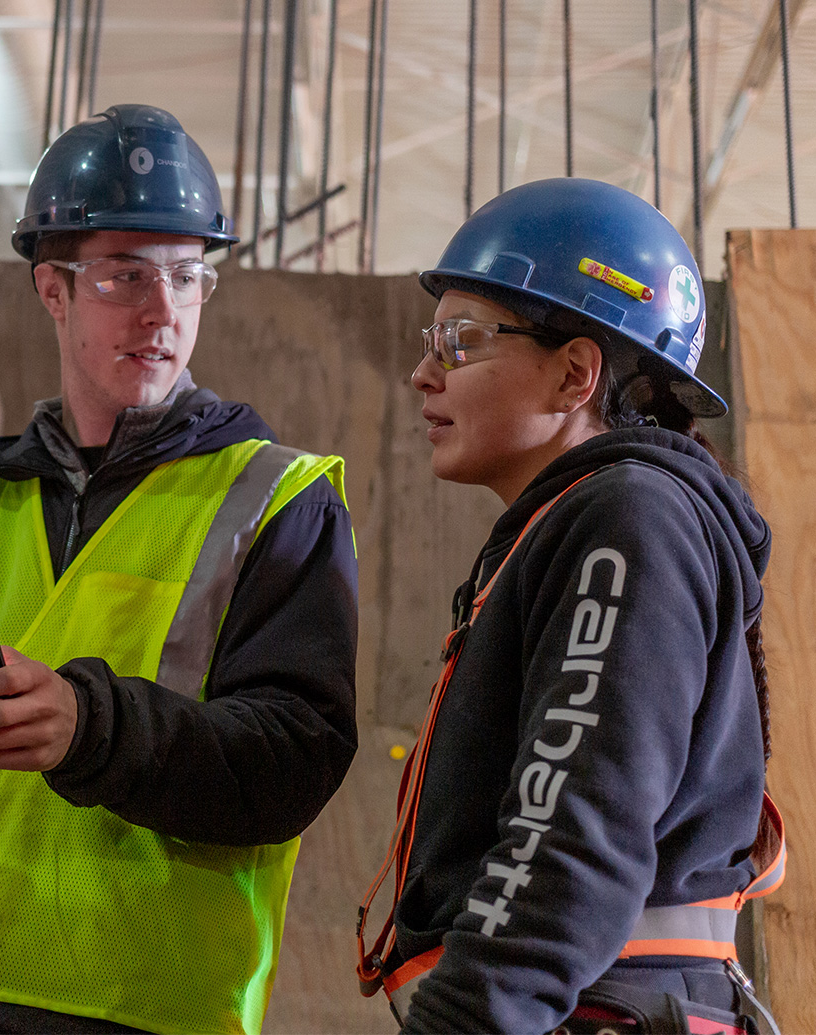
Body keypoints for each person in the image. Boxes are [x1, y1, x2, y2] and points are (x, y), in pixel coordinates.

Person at [0, 104, 358, 1035]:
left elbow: (293, 762)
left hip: (127, 1008)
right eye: (124, 275)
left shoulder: (276, 499)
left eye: (185, 275)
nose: (161, 309)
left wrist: (94, 726)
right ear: (52, 288)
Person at [356, 178, 784, 1034]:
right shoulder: (589, 520)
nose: (422, 372)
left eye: (460, 340)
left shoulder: (626, 516)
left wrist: (468, 1020)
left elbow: (570, 827)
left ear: (575, 372)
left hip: (597, 1009)